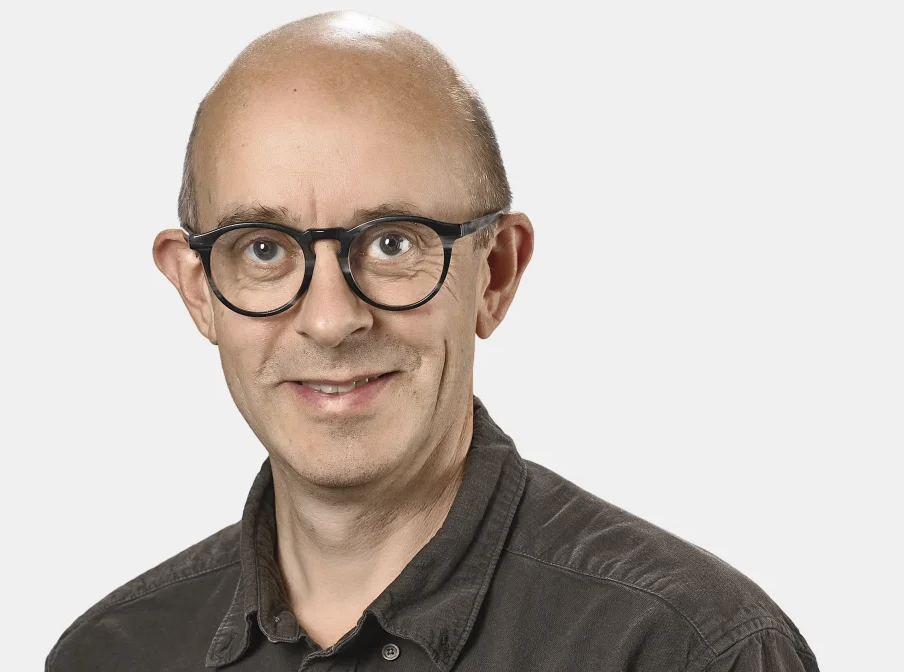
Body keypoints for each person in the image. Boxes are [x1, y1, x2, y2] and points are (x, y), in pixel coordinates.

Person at [47, 11, 818, 671]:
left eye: (391, 243)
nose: (330, 320)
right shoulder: (110, 655)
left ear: (496, 272)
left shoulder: (686, 650)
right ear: (197, 290)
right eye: (263, 248)